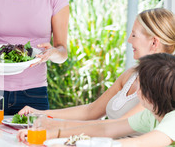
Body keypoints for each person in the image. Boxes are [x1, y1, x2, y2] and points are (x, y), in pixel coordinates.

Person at [18, 8, 175, 129]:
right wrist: (40, 113)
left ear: (154, 43)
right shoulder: (131, 75)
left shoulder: (161, 86)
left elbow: (117, 127)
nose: (128, 40)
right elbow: (91, 111)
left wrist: (57, 126)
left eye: (134, 35)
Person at [17, 53, 175, 147]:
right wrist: (52, 134)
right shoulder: (151, 114)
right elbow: (106, 130)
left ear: (151, 94)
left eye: (140, 83)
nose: (136, 87)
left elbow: (139, 145)